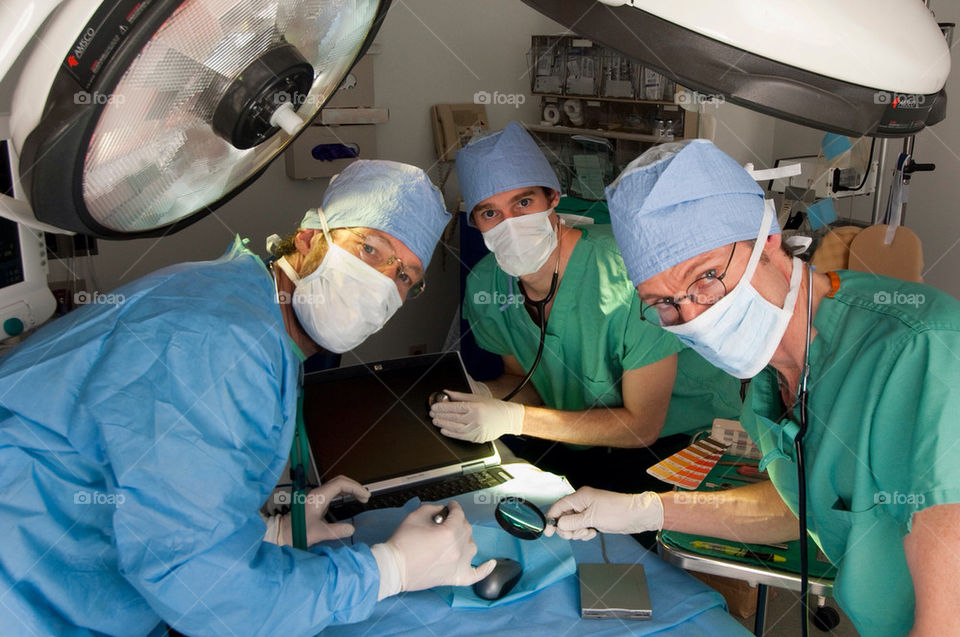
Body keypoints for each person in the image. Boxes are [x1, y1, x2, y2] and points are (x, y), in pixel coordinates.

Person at [0, 160, 495, 636]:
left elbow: (155, 486)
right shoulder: (222, 341)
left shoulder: (242, 306)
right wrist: (390, 569)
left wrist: (264, 534)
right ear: (308, 240)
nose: (386, 281)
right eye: (371, 249)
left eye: (405, 276)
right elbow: (208, 596)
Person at [545, 139, 960, 637]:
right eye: (664, 304)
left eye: (705, 278)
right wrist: (641, 508)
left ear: (765, 239)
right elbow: (796, 508)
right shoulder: (771, 372)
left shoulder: (923, 351)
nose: (694, 316)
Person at [430, 122, 741, 494]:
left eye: (524, 202)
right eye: (490, 213)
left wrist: (514, 418)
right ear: (475, 222)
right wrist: (483, 394)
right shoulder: (487, 284)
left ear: (553, 198)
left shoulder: (627, 277)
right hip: (573, 436)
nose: (510, 224)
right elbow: (523, 381)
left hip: (678, 443)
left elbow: (642, 426)